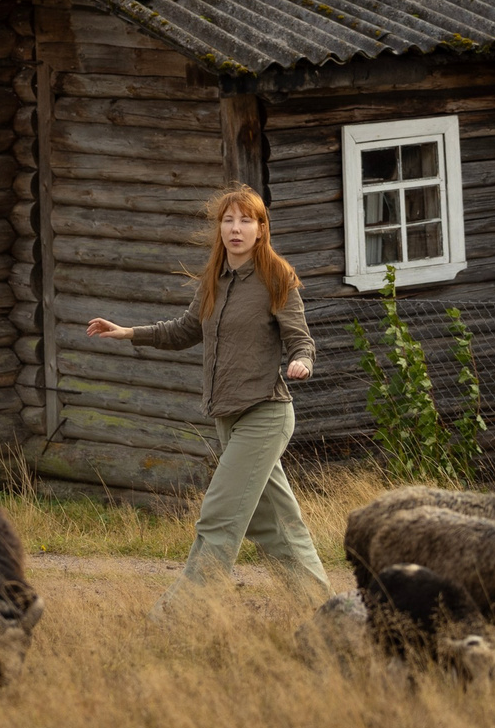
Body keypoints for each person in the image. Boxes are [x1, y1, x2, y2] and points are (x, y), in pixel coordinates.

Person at [87, 184, 331, 610]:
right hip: (227, 420)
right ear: (220, 228)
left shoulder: (277, 279)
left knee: (218, 517)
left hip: (265, 414)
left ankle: (179, 615)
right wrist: (128, 332)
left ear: (261, 228)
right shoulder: (213, 281)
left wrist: (302, 362)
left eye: (245, 220)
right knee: (275, 525)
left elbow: (300, 339)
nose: (236, 228)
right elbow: (185, 330)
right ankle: (326, 610)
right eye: (228, 220)